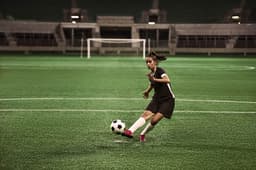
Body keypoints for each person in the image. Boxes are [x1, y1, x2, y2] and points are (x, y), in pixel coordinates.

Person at [122, 51, 175, 142]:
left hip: (168, 100)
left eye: (150, 61)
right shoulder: (151, 74)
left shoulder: (160, 70)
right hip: (157, 98)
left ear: (155, 62)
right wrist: (147, 91)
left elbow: (167, 80)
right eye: (146, 62)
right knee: (146, 114)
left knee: (154, 120)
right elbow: (152, 84)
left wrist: (154, 79)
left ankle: (143, 134)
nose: (148, 64)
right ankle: (130, 131)